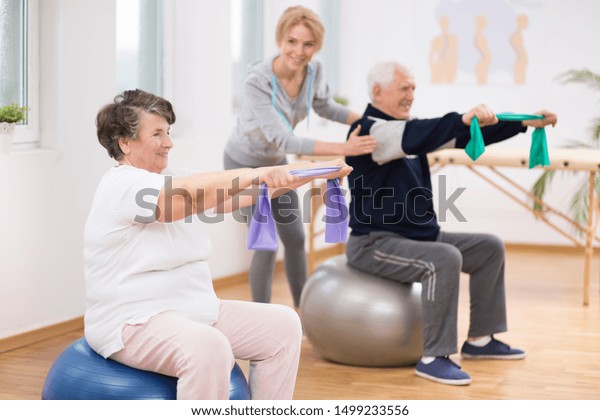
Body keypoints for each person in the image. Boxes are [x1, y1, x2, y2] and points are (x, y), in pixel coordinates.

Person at [84, 89, 353, 399]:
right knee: (209, 346)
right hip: (132, 320)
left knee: (284, 325)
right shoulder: (121, 185)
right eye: (157, 133)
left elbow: (243, 194)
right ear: (125, 142)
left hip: (193, 310)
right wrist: (258, 173)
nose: (169, 142)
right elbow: (176, 199)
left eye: (168, 132)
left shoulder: (175, 178)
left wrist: (314, 172)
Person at [345, 61, 557, 385]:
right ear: (378, 91)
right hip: (374, 242)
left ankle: (481, 340)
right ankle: (433, 357)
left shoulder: (408, 131)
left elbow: (461, 135)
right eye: (405, 88)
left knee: (488, 247)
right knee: (444, 258)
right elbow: (422, 133)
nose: (411, 95)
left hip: (419, 236)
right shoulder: (369, 131)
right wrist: (459, 118)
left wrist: (524, 122)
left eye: (414, 88)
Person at [224, 5, 376, 310]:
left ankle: (303, 313)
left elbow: (326, 107)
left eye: (308, 44)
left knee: (295, 238)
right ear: (280, 40)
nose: (299, 51)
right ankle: (261, 317)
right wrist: (344, 149)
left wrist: (371, 123)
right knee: (266, 245)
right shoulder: (258, 81)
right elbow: (284, 137)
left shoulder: (313, 71)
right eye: (291, 41)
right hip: (245, 164)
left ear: (316, 46)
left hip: (277, 162)